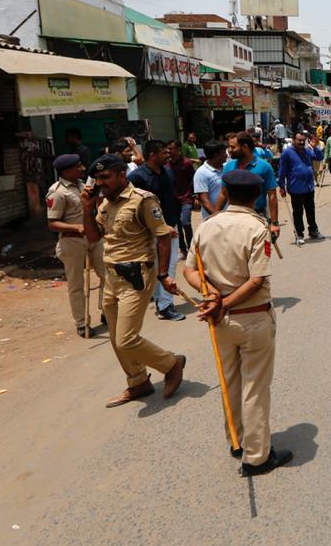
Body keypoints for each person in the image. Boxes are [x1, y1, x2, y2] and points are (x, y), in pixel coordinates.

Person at [183, 170, 290, 476]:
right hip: (251, 316)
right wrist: (223, 301)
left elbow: (190, 270)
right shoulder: (257, 228)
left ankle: (237, 440)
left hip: (219, 320)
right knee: (255, 387)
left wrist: (211, 295)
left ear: (226, 194)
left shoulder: (207, 226)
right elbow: (257, 280)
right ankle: (257, 457)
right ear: (256, 197)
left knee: (230, 382)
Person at [81, 154, 187, 408]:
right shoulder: (105, 204)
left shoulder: (142, 200)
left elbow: (163, 237)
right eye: (97, 179)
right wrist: (87, 208)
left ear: (121, 175)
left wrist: (163, 275)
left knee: (126, 338)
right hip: (111, 277)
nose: (100, 183)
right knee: (117, 338)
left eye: (105, 177)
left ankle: (171, 364)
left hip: (136, 276)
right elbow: (94, 238)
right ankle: (138, 381)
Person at [47, 154, 106, 336]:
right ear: (67, 171)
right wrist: (76, 226)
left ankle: (106, 310)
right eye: (78, 166)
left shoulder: (83, 185)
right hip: (72, 241)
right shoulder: (57, 192)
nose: (82, 168)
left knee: (109, 274)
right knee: (76, 284)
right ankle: (82, 322)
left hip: (94, 238)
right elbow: (52, 223)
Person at [128, 140, 184, 321]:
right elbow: (133, 205)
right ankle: (160, 300)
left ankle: (165, 304)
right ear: (153, 155)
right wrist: (160, 226)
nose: (168, 155)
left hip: (171, 225)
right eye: (164, 153)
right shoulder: (137, 177)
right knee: (154, 266)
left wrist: (172, 222)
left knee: (169, 265)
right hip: (150, 230)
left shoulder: (167, 171)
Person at [217, 133, 279, 241]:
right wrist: (215, 216)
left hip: (258, 216)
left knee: (258, 252)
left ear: (244, 147)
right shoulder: (229, 167)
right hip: (233, 217)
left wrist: (274, 223)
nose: (229, 150)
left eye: (233, 147)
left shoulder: (264, 167)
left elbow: (272, 195)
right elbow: (223, 193)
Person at [278, 132, 324, 244]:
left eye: (303, 140)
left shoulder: (307, 151)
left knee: (311, 211)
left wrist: (315, 147)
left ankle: (313, 230)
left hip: (309, 187)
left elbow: (319, 157)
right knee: (298, 212)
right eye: (299, 140)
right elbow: (282, 170)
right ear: (294, 140)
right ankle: (299, 234)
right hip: (296, 188)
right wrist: (281, 185)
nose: (302, 142)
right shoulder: (287, 153)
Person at [167, 140, 195, 259]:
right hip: (173, 200)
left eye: (172, 148)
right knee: (177, 225)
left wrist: (195, 195)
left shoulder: (187, 163)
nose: (169, 151)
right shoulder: (166, 165)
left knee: (185, 222)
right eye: (168, 148)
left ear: (178, 149)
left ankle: (192, 248)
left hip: (186, 198)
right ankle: (183, 250)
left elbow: (193, 179)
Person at [194, 140, 227, 220]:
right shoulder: (201, 173)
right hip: (213, 220)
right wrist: (216, 218)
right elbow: (204, 200)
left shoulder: (227, 168)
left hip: (228, 218)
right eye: (224, 153)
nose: (226, 155)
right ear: (217, 155)